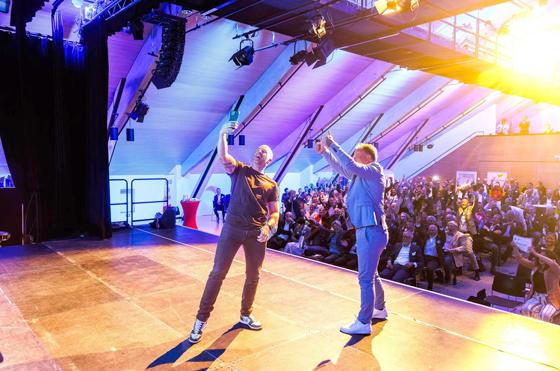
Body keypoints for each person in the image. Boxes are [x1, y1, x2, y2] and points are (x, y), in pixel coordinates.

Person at [188, 123, 280, 344]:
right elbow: (223, 156)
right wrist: (222, 134)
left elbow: (275, 213)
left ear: (269, 160)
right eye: (259, 149)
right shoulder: (240, 170)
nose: (260, 151)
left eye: (264, 152)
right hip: (231, 229)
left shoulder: (271, 184)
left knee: (253, 275)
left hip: (256, 233)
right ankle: (200, 321)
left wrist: (269, 227)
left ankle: (246, 314)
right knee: (217, 273)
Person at [316, 132, 388, 336]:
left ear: (367, 157)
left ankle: (364, 321)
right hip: (369, 230)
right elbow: (342, 167)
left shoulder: (374, 169)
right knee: (371, 274)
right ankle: (380, 309)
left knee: (365, 278)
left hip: (370, 230)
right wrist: (326, 153)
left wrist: (333, 143)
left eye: (356, 154)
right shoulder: (360, 176)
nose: (353, 157)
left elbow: (350, 165)